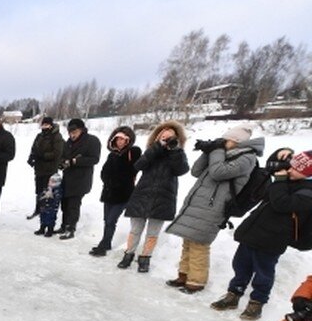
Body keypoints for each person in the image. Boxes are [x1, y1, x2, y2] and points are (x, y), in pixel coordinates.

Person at [210, 149, 312, 320]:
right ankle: (234, 294)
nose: (289, 170)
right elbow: (267, 185)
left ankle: (257, 302)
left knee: (264, 272)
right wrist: (279, 160)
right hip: (255, 230)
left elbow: (282, 203)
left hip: (273, 238)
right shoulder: (287, 180)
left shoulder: (308, 191)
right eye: (290, 166)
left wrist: (280, 180)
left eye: (295, 169)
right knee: (241, 265)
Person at [166, 126, 263, 293]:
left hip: (214, 207)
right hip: (199, 203)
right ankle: (183, 275)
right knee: (188, 242)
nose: (224, 142)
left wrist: (216, 151)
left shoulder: (247, 158)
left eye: (227, 140)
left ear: (237, 141)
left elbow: (219, 172)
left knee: (199, 244)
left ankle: (196, 282)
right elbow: (196, 171)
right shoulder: (224, 153)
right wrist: (207, 151)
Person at [113, 122, 188, 269]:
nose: (166, 139)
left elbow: (181, 170)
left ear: (176, 138)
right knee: (135, 230)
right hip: (142, 195)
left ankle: (145, 258)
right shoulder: (151, 150)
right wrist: (156, 148)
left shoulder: (178, 153)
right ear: (157, 136)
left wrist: (174, 150)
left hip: (163, 197)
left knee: (152, 233)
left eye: (169, 137)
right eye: (163, 136)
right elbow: (139, 165)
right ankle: (128, 255)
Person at [93, 127, 142, 258]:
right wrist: (108, 181)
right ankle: (106, 242)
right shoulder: (112, 155)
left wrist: (119, 182)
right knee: (107, 220)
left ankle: (103, 245)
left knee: (111, 220)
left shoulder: (133, 152)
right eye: (118, 139)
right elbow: (104, 171)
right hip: (109, 192)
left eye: (123, 139)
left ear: (127, 141)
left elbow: (133, 169)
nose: (120, 142)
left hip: (123, 194)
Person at [57, 118, 101, 240]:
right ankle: (64, 225)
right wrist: (62, 163)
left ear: (81, 130)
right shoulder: (68, 142)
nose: (72, 134)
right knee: (64, 203)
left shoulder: (92, 141)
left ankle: (71, 228)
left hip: (81, 179)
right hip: (68, 178)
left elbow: (94, 159)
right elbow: (63, 156)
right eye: (70, 132)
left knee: (73, 205)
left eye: (74, 132)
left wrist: (76, 161)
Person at [27, 116, 65, 219]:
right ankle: (38, 209)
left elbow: (57, 153)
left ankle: (47, 212)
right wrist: (31, 157)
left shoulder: (57, 137)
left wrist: (44, 155)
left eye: (46, 124)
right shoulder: (39, 136)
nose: (44, 126)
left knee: (47, 192)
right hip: (39, 168)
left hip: (50, 169)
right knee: (38, 190)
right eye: (43, 124)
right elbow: (34, 148)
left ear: (51, 125)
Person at [34, 171, 63, 237]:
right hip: (44, 207)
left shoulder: (57, 190)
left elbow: (57, 199)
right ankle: (42, 228)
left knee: (50, 219)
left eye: (53, 182)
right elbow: (41, 195)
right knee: (42, 217)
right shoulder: (47, 188)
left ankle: (50, 230)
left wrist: (52, 197)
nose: (50, 183)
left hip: (51, 208)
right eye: (50, 181)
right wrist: (42, 196)